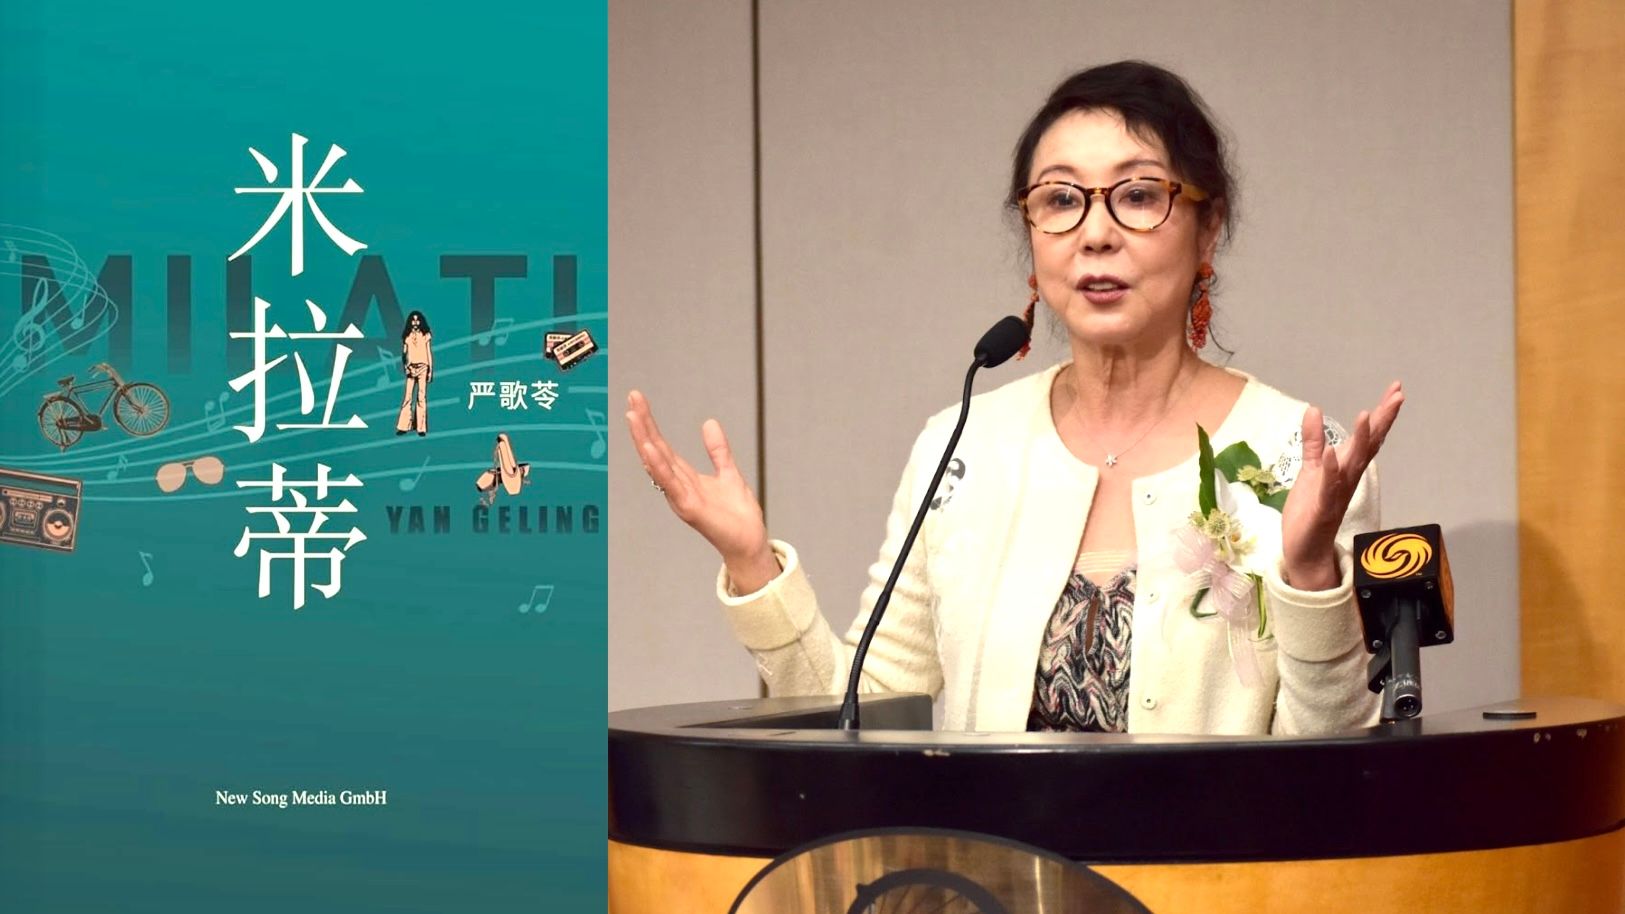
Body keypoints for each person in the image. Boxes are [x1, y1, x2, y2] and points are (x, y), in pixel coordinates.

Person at [625, 61, 1403, 737]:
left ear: (1207, 231)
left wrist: (1307, 578)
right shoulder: (961, 446)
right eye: (1060, 200)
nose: (1094, 234)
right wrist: (754, 566)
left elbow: (1339, 762)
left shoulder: (1297, 457)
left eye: (1136, 195)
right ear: (1030, 233)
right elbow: (861, 722)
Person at [396, 310, 434, 436]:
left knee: (421, 397)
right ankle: (403, 426)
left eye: (418, 320)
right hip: (411, 367)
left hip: (423, 367)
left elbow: (429, 353)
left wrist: (430, 371)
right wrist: (406, 366)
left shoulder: (426, 334)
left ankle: (421, 428)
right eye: (413, 320)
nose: (415, 322)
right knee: (408, 397)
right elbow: (404, 353)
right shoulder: (407, 335)